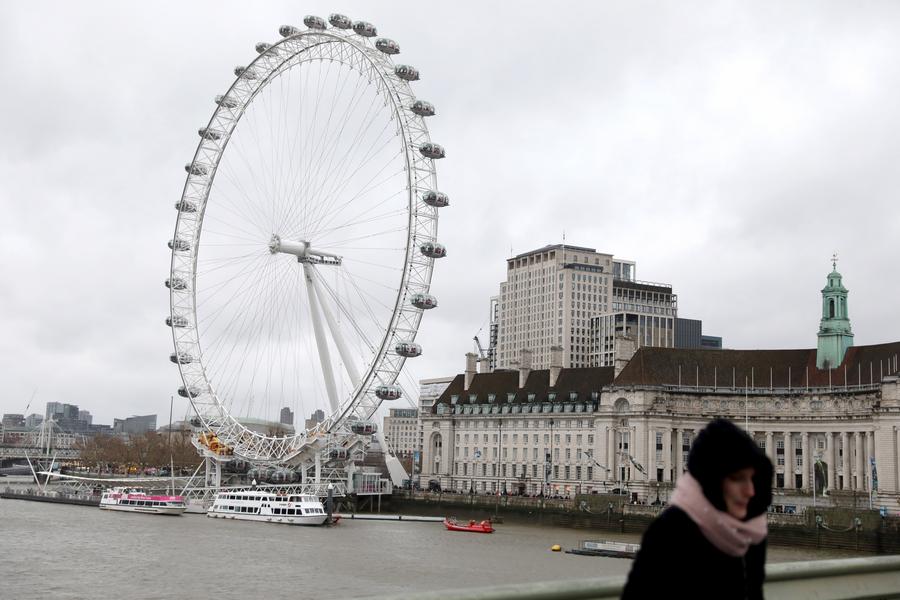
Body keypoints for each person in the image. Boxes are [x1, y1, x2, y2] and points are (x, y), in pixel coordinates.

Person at [622, 419, 773, 599]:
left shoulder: (751, 534)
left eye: (753, 478)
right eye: (737, 479)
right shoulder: (668, 533)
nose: (750, 491)